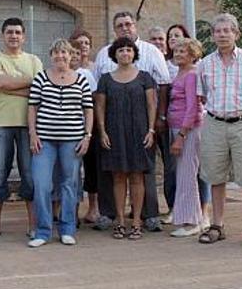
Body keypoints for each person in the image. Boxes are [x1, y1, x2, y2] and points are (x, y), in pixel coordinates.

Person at [93, 12, 170, 232]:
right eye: (120, 25)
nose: (125, 28)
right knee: (116, 176)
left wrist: (155, 124)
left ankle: (144, 217)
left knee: (140, 174)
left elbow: (160, 89)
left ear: (135, 26)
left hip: (140, 129)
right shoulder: (103, 62)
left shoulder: (151, 54)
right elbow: (98, 100)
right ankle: (115, 217)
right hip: (114, 128)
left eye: (128, 24)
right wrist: (102, 130)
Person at [196, 13, 242, 247]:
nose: (222, 35)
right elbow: (203, 95)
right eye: (218, 31)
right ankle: (217, 225)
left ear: (236, 34)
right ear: (213, 35)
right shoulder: (205, 63)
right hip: (214, 124)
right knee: (215, 176)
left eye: (227, 30)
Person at [27, 39, 94, 247]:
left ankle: (67, 229)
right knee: (41, 184)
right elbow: (32, 107)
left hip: (72, 140)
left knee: (69, 184)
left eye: (64, 53)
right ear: (51, 56)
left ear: (71, 55)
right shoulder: (41, 78)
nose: (61, 57)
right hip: (44, 140)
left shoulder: (81, 79)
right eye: (56, 53)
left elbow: (88, 109)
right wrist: (33, 134)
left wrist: (87, 136)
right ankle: (43, 231)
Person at [0, 18, 43, 240]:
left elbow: (39, 89)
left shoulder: (34, 60)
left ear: (24, 36)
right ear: (2, 35)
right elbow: (1, 84)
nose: (14, 36)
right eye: (9, 32)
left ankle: (33, 225)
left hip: (29, 125)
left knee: (29, 176)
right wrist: (25, 85)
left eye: (18, 32)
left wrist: (10, 88)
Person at [166, 23, 212, 213]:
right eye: (176, 51)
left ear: (192, 54)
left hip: (188, 130)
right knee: (182, 173)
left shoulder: (192, 75)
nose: (177, 54)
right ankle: (186, 215)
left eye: (182, 51)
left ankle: (191, 218)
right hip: (175, 125)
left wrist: (181, 135)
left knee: (187, 174)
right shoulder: (180, 72)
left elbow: (193, 108)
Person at [69, 29, 100, 224]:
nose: (81, 49)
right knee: (71, 171)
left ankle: (94, 208)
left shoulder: (89, 73)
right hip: (68, 129)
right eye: (76, 46)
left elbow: (94, 101)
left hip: (87, 127)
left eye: (85, 44)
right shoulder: (58, 72)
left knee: (91, 168)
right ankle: (71, 209)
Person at [147, 25, 176, 225]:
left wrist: (162, 117)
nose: (158, 42)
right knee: (146, 167)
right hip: (148, 119)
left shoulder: (176, 63)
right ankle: (149, 210)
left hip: (168, 120)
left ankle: (174, 207)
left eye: (160, 39)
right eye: (154, 39)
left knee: (171, 166)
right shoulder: (149, 60)